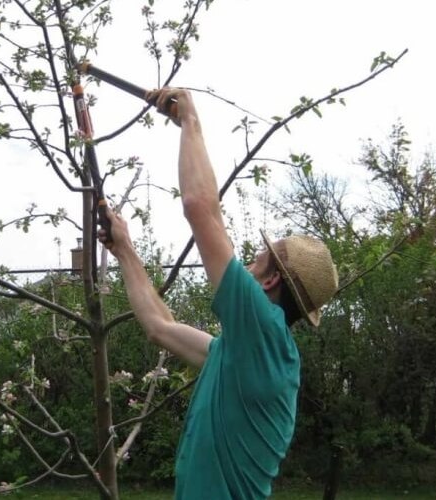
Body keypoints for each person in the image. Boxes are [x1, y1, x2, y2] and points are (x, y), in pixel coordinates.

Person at [98, 88, 338, 499]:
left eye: (257, 259)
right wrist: (126, 251)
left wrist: (190, 120)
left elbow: (199, 207)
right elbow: (161, 326)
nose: (244, 264)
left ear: (269, 283)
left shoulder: (263, 328)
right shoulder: (246, 355)